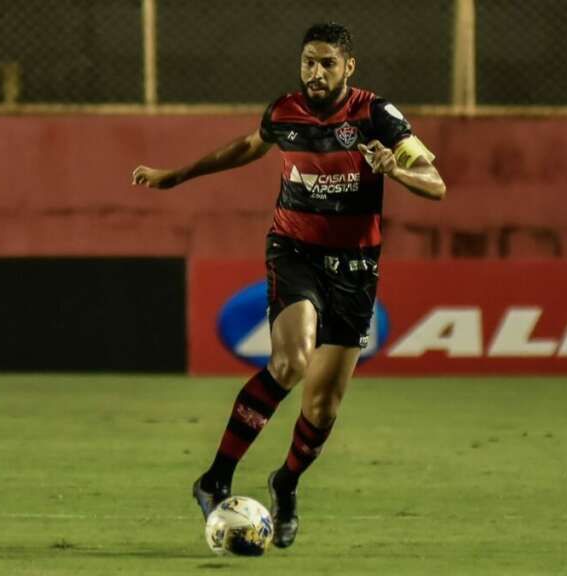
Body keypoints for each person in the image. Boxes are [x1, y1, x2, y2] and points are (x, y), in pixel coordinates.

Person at [132, 22, 446, 548]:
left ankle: (287, 482)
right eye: (308, 61)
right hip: (294, 251)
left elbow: (435, 185)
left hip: (356, 267)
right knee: (290, 361)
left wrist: (396, 170)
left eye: (327, 63)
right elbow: (247, 146)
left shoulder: (377, 115)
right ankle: (214, 478)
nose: (315, 72)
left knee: (322, 408)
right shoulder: (285, 111)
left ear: (349, 67)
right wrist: (177, 175)